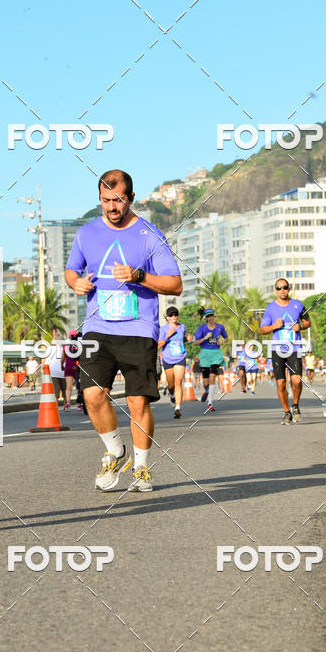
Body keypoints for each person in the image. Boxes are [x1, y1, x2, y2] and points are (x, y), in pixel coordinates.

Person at [65, 168, 182, 492]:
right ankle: (115, 450)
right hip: (97, 327)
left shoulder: (150, 235)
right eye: (105, 201)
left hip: (139, 328)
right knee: (92, 394)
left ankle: (142, 467)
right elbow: (71, 270)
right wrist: (76, 282)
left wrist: (139, 277)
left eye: (118, 200)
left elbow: (175, 284)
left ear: (131, 198)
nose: (112, 207)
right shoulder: (86, 234)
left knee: (137, 403)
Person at [260, 278, 311, 424]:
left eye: (285, 287)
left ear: (289, 289)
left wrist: (300, 327)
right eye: (279, 288)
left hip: (295, 348)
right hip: (277, 350)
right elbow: (262, 329)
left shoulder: (298, 305)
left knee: (296, 380)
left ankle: (295, 405)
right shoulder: (270, 308)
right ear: (275, 290)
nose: (282, 290)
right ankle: (286, 412)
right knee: (281, 383)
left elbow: (308, 322)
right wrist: (274, 326)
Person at [158, 306, 191, 418]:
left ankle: (177, 408)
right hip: (167, 358)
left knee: (178, 382)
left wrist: (187, 339)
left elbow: (181, 340)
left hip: (180, 357)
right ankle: (171, 394)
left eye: (175, 314)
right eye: (171, 315)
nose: (174, 317)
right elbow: (158, 345)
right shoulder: (163, 329)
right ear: (167, 317)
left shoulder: (182, 327)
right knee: (171, 384)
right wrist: (167, 336)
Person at [193, 308, 228, 411]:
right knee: (205, 382)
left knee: (213, 377)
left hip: (216, 354)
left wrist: (222, 341)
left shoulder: (220, 327)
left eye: (211, 315)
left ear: (214, 316)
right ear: (205, 318)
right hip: (205, 354)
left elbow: (226, 338)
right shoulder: (202, 328)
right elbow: (195, 342)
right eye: (208, 316)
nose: (210, 318)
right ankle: (206, 391)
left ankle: (210, 403)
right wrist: (205, 338)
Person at [61, 328, 80, 410]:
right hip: (77, 366)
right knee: (78, 386)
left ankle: (68, 403)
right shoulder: (78, 345)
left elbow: (62, 358)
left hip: (68, 366)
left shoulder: (65, 346)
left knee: (68, 387)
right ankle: (79, 405)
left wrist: (62, 365)